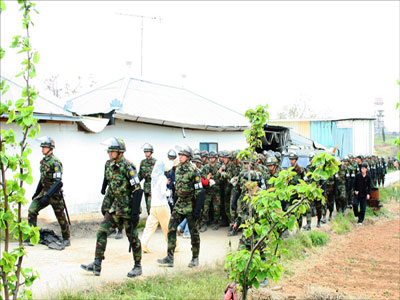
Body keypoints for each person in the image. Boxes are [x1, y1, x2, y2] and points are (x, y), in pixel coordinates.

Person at [81, 138, 142, 277]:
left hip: (127, 208)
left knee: (133, 238)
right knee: (102, 231)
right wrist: (105, 205)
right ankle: (97, 264)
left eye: (112, 150)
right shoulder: (108, 165)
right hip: (115, 207)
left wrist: (134, 213)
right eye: (109, 150)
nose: (110, 152)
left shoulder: (128, 167)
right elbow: (110, 187)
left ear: (120, 152)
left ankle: (138, 266)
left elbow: (137, 190)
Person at [157, 145, 203, 268]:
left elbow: (200, 192)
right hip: (179, 204)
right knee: (171, 228)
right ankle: (170, 257)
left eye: (183, 155)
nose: (181, 157)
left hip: (191, 205)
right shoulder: (177, 170)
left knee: (194, 233)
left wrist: (197, 210)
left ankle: (195, 258)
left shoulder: (194, 171)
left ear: (188, 157)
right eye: (180, 155)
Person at [28, 137, 70, 247]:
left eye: (44, 147)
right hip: (44, 192)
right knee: (32, 210)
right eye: (42, 147)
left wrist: (48, 195)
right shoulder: (43, 162)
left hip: (54, 194)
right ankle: (32, 236)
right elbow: (42, 179)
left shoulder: (55, 162)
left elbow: (58, 182)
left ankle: (66, 238)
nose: (42, 149)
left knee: (60, 217)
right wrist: (36, 193)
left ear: (50, 148)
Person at [141, 160, 171, 253]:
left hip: (153, 206)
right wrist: (169, 192)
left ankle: (143, 244)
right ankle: (172, 245)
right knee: (167, 227)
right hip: (162, 205)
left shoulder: (153, 178)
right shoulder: (162, 177)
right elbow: (163, 192)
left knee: (149, 227)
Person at [101, 156, 124, 240]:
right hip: (110, 190)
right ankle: (112, 227)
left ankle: (120, 230)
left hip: (119, 191)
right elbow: (106, 177)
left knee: (118, 211)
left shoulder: (122, 163)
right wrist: (103, 188)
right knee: (104, 208)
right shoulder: (107, 163)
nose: (110, 154)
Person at [139, 143, 157, 215]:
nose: (146, 153)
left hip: (153, 187)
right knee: (147, 206)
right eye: (145, 152)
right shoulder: (143, 162)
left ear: (151, 152)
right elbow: (140, 175)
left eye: (148, 152)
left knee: (150, 206)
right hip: (146, 187)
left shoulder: (155, 162)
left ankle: (152, 222)